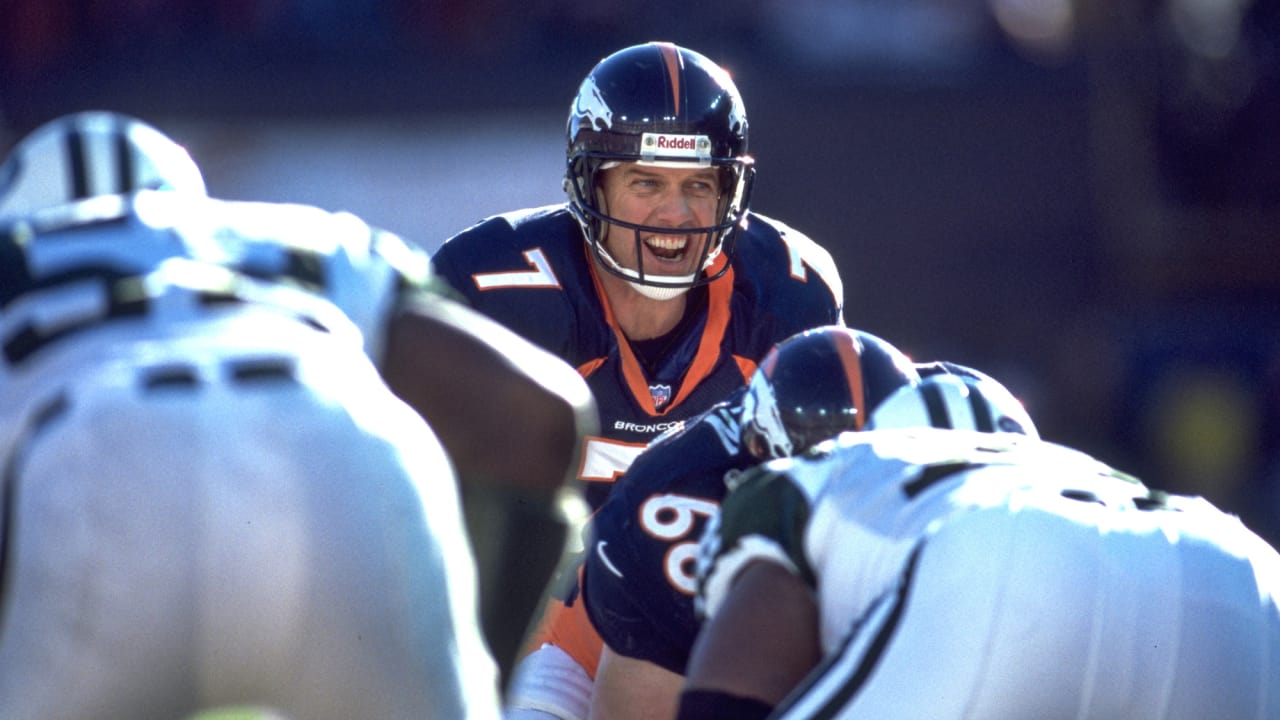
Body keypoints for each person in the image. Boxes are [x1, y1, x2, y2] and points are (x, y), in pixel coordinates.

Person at [0, 111, 598, 713]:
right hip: (350, 452)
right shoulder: (298, 238)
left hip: (89, 470)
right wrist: (474, 665)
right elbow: (539, 414)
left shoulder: (17, 260)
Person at [428, 41, 844, 717]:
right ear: (592, 184)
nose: (675, 215)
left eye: (697, 185)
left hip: (708, 621)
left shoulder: (787, 292)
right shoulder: (498, 288)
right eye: (646, 182)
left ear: (729, 190)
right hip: (538, 619)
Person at [678, 379, 1280, 720]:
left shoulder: (841, 470)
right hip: (1241, 567)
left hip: (1013, 558)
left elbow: (737, 678)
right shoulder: (1065, 466)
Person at [581, 326, 920, 720]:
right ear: (759, 448)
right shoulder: (678, 508)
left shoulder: (965, 421)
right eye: (825, 488)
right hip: (634, 646)